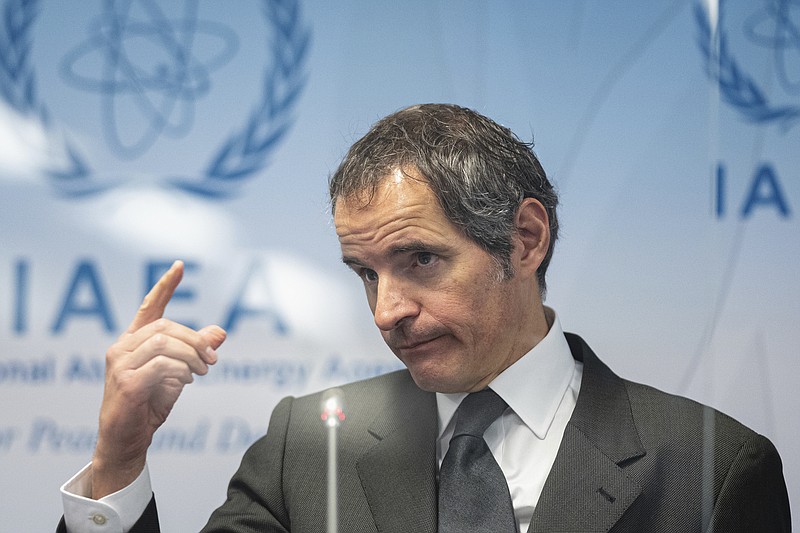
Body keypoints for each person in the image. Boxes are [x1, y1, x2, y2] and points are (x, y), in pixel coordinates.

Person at [58, 104, 791, 532]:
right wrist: (118, 463)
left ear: (524, 240)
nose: (387, 310)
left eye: (419, 261)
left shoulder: (712, 467)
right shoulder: (305, 446)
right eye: (365, 274)